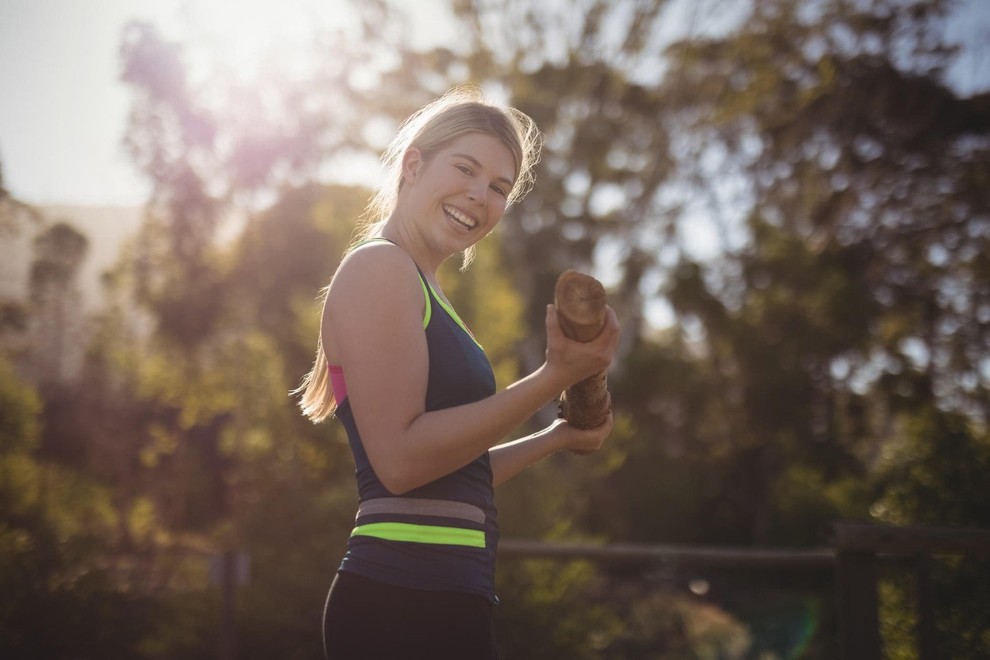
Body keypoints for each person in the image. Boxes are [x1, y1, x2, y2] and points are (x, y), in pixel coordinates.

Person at [294, 86, 621, 660]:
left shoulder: (426, 292)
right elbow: (401, 463)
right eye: (466, 169)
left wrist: (557, 436)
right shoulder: (379, 267)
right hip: (400, 604)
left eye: (499, 188)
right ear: (414, 164)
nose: (480, 195)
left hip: (446, 599)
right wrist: (552, 378)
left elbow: (451, 475)